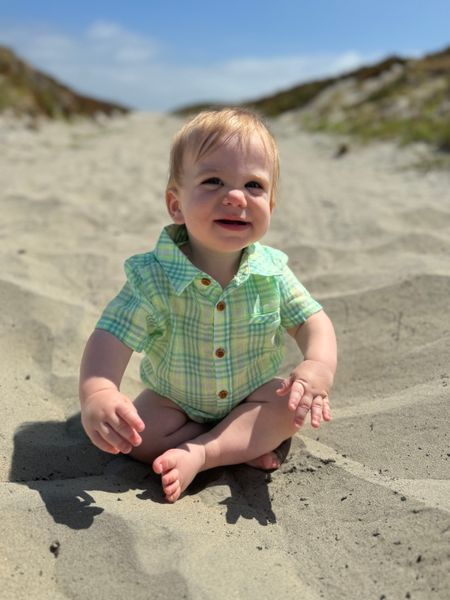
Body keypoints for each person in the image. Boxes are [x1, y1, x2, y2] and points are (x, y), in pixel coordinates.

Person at [79, 107, 337, 503]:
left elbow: (312, 322)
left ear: (272, 204)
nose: (235, 197)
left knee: (289, 410)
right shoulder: (153, 277)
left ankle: (204, 452)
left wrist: (316, 366)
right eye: (213, 181)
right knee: (132, 438)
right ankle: (237, 447)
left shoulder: (272, 272)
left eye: (254, 186)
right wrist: (98, 393)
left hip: (252, 395)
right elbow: (111, 336)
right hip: (174, 399)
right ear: (176, 204)